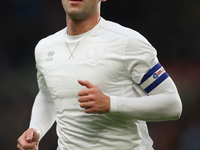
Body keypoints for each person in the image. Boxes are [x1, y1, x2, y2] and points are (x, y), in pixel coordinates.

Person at [17, 0, 182, 149]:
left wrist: (111, 104)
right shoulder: (44, 47)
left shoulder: (127, 42)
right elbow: (48, 97)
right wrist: (35, 129)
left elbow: (172, 104)